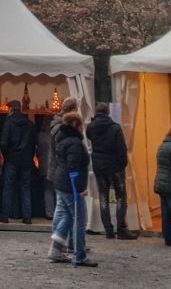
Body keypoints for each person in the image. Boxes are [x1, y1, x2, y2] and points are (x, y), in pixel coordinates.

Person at [48, 111, 97, 267]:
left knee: (67, 217)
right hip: (71, 187)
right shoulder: (75, 143)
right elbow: (73, 167)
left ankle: (55, 250)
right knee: (80, 220)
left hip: (61, 183)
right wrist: (79, 189)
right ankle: (80, 255)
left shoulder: (62, 140)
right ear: (77, 125)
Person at [87, 102, 137, 240]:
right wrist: (122, 164)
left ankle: (108, 230)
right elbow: (122, 149)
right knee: (121, 197)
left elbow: (91, 140)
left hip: (99, 167)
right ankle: (121, 229)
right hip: (115, 167)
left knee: (103, 197)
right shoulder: (115, 128)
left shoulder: (90, 128)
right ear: (108, 112)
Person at [0, 99, 36, 224]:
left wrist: (6, 155)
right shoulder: (30, 124)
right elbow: (34, 143)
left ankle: (5, 216)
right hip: (26, 159)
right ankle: (27, 217)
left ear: (11, 109)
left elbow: (4, 143)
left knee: (8, 186)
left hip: (12, 158)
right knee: (25, 187)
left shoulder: (8, 123)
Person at [46, 96, 78, 230]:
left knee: (62, 207)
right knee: (68, 209)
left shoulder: (56, 127)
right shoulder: (62, 129)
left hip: (58, 170)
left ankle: (62, 240)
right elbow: (64, 153)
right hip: (63, 171)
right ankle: (62, 240)